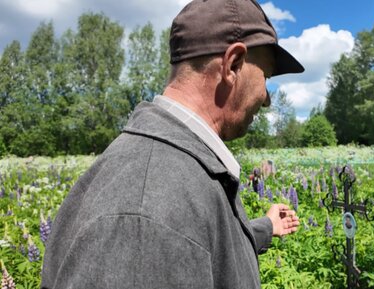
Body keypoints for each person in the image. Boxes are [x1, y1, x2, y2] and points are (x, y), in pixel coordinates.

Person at [41, 0, 304, 288]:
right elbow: (160, 234)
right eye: (264, 76)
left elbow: (192, 243)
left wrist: (264, 228)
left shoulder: (172, 178)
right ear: (233, 65)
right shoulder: (143, 212)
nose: (267, 98)